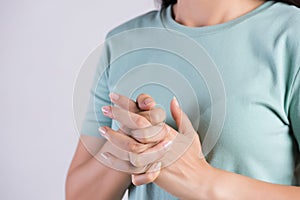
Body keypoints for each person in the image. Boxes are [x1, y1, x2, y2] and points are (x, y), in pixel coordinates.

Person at [66, 0, 300, 199]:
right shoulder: (120, 43)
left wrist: (204, 182)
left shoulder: (291, 34)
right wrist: (135, 140)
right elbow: (77, 194)